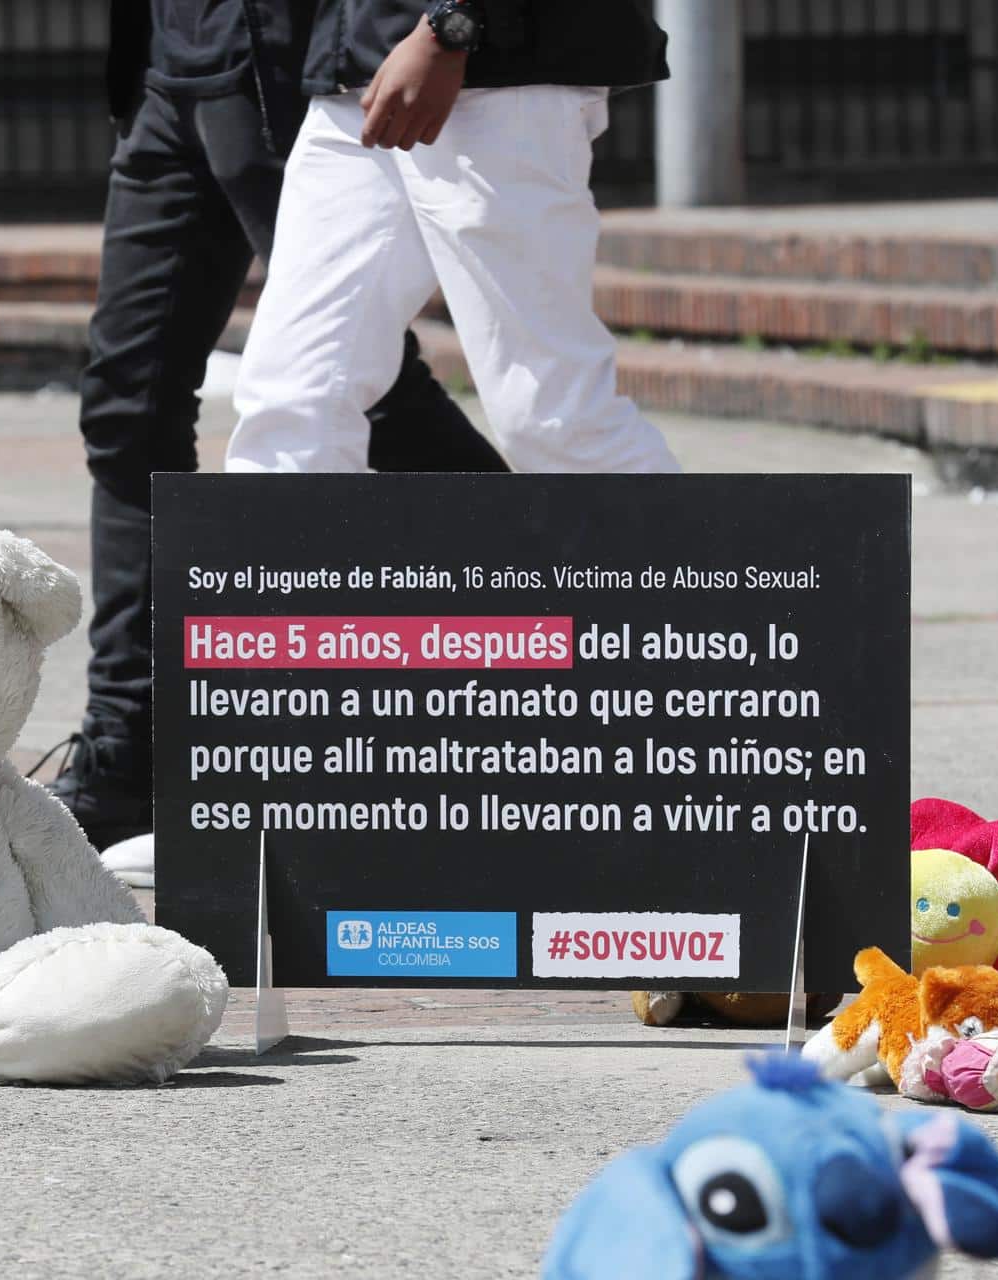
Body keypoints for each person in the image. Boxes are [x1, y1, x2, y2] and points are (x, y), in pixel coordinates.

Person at [48, 0, 510, 860]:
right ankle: (128, 747)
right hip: (164, 58)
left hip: (277, 53)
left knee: (359, 382)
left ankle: (553, 613)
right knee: (126, 406)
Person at [225, 0, 680, 475]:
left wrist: (452, 24)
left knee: (550, 417)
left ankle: (692, 548)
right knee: (292, 397)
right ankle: (279, 550)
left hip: (491, 71)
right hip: (356, 72)